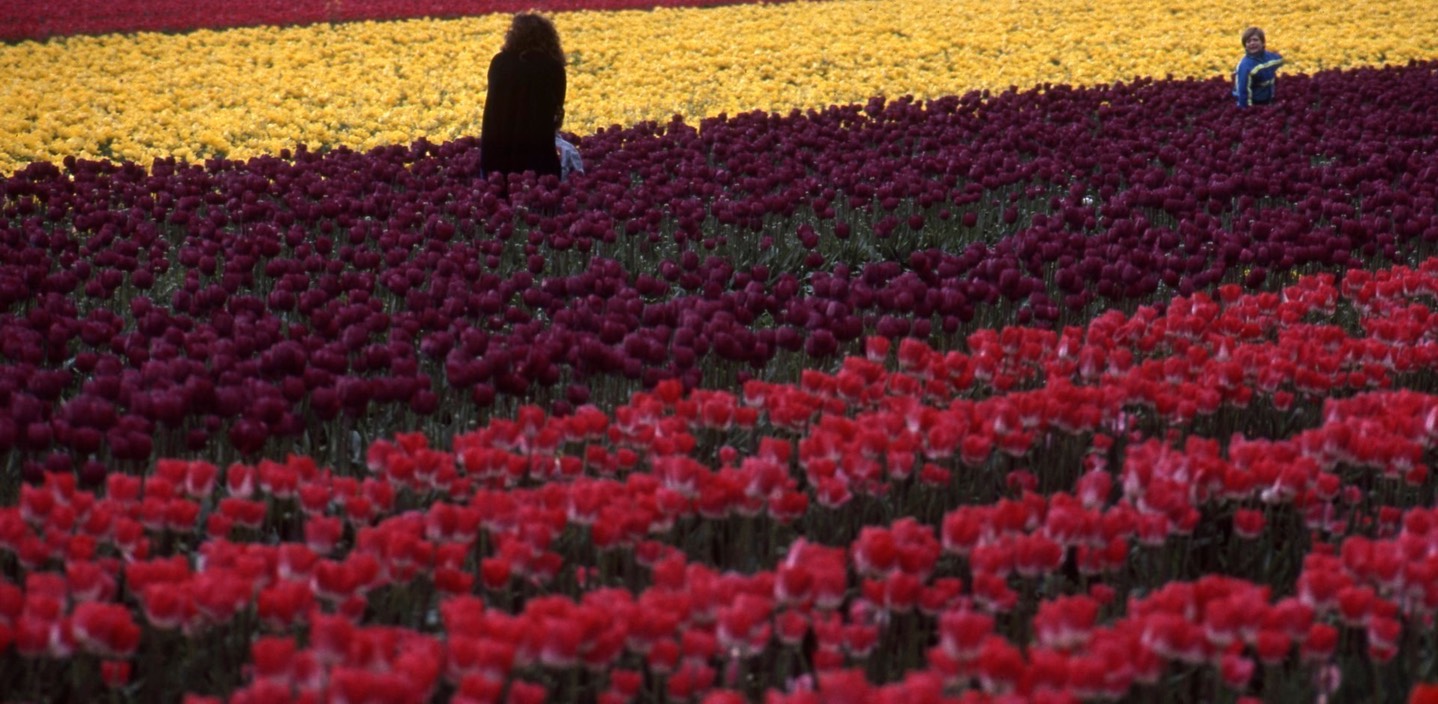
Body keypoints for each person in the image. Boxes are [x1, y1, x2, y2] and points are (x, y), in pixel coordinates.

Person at [480, 13, 580, 179]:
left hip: (496, 148)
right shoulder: (552, 67)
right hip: (536, 150)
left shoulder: (499, 63)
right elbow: (557, 111)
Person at [1233, 27, 1283, 108]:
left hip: (1269, 101)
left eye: (1255, 40)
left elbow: (1281, 60)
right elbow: (1243, 92)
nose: (1252, 43)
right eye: (1248, 41)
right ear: (1245, 46)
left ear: (1263, 43)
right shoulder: (1245, 66)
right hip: (1255, 104)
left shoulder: (1270, 57)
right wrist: (1248, 112)